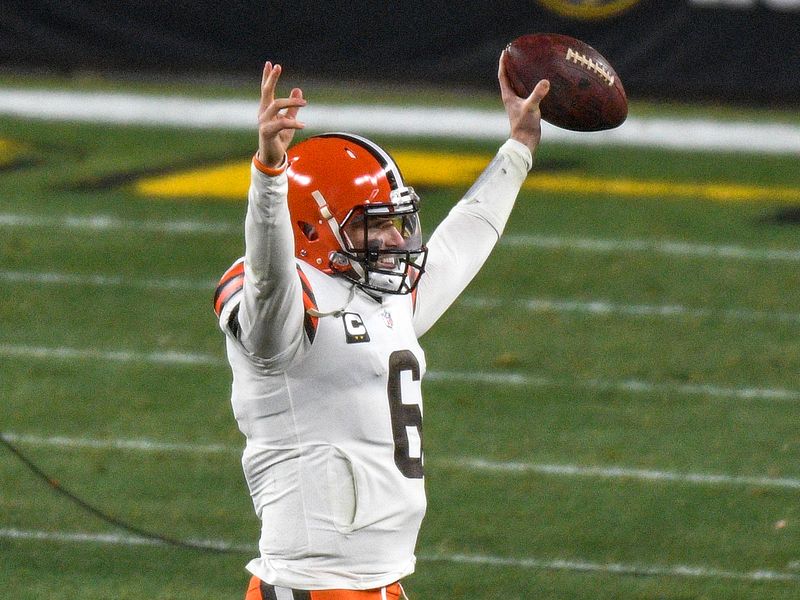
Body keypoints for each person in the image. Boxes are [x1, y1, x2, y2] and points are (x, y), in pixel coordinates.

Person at [213, 55, 550, 600]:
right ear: (313, 228)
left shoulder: (383, 295)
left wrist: (518, 148)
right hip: (311, 587)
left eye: (396, 224)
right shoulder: (283, 304)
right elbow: (268, 282)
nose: (395, 241)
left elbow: (463, 241)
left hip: (381, 583)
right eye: (374, 227)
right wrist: (270, 179)